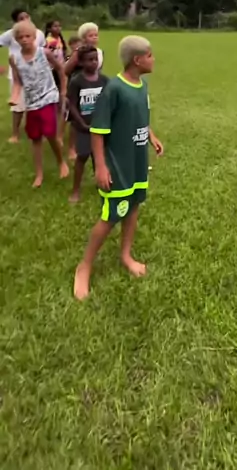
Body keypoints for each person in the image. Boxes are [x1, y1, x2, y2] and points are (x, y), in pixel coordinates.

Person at [74, 35, 163, 301]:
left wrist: (151, 136)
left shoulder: (142, 85)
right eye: (149, 55)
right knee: (112, 215)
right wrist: (101, 167)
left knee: (133, 206)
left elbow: (141, 116)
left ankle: (125, 255)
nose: (153, 59)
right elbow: (98, 131)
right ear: (137, 60)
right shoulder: (113, 89)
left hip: (137, 162)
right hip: (118, 165)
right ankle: (84, 266)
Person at [9, 19, 69, 187]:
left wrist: (63, 89)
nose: (24, 40)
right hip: (31, 102)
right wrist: (14, 96)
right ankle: (39, 174)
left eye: (27, 36)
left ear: (34, 36)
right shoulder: (14, 59)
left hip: (48, 96)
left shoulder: (44, 53)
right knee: (35, 138)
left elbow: (61, 69)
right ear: (16, 39)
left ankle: (61, 162)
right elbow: (18, 81)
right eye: (20, 37)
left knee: (50, 132)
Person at [67, 45, 109, 203]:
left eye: (95, 59)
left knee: (100, 157)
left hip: (100, 127)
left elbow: (109, 102)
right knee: (82, 156)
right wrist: (81, 124)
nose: (94, 62)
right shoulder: (77, 81)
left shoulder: (104, 80)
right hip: (84, 128)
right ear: (81, 62)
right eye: (89, 60)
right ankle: (75, 190)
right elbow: (72, 105)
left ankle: (102, 183)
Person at [0, 8, 46, 143]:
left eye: (27, 16)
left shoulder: (39, 33)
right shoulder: (11, 34)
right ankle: (15, 134)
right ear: (16, 22)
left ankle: (39, 132)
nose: (25, 20)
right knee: (18, 105)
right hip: (17, 75)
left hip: (36, 74)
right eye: (21, 18)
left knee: (38, 104)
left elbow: (43, 51)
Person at [45, 19, 68, 142]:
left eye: (59, 26)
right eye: (55, 26)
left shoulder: (60, 40)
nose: (58, 28)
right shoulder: (48, 41)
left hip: (60, 71)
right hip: (50, 71)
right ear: (49, 29)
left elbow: (63, 54)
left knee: (61, 97)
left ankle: (57, 125)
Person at [65, 35, 81, 160]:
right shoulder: (70, 57)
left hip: (89, 88)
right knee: (73, 119)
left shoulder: (96, 53)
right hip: (75, 90)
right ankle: (71, 148)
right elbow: (65, 71)